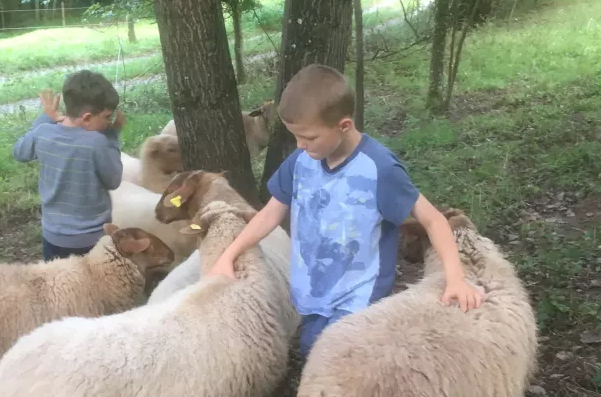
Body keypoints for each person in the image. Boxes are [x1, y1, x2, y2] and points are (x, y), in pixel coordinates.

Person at [207, 64, 484, 358]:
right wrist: (228, 255)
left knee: (339, 363)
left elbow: (432, 219)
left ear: (344, 126)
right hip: (316, 289)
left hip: (359, 296)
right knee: (311, 350)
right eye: (295, 137)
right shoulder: (302, 161)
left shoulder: (379, 169)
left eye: (309, 137)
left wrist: (455, 278)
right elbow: (270, 213)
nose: (300, 145)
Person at [14, 69, 126, 262]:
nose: (108, 122)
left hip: (53, 236)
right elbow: (114, 180)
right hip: (93, 239)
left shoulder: (43, 133)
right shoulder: (97, 143)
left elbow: (19, 152)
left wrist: (47, 116)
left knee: (59, 288)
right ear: (88, 117)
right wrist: (113, 136)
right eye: (107, 117)